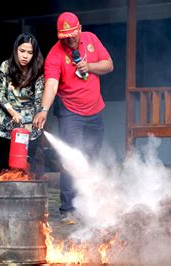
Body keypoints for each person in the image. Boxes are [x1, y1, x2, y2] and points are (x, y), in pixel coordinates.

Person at [33, 12, 114, 224]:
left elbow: (108, 64)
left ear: (79, 29)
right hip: (71, 113)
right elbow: (51, 85)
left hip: (95, 110)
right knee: (71, 159)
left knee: (92, 158)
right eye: (65, 36)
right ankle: (68, 209)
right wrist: (43, 109)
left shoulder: (91, 39)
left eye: (72, 34)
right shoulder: (55, 55)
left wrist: (90, 67)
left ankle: (91, 205)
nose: (70, 39)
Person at [0, 32, 45, 177]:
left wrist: (38, 117)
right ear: (16, 50)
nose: (25, 56)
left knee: (27, 164)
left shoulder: (38, 70)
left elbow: (39, 99)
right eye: (22, 51)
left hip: (29, 124)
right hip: (7, 121)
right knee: (6, 164)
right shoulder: (6, 66)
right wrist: (12, 112)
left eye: (29, 52)